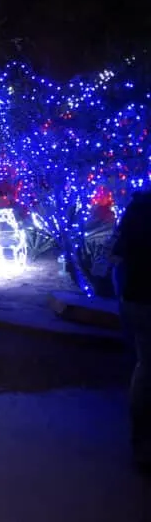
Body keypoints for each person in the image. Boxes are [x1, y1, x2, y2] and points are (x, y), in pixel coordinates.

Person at [113, 190, 151, 473]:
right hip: (144, 300)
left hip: (135, 299)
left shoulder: (135, 211)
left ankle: (141, 442)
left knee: (145, 366)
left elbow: (117, 258)